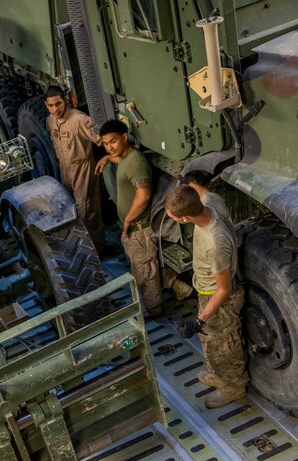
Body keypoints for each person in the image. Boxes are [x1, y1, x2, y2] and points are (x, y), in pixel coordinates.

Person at [163, 181, 248, 408]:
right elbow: (206, 191)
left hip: (219, 299)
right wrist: (188, 182)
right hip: (206, 291)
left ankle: (233, 387)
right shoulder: (212, 202)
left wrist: (199, 321)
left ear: (184, 219)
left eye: (172, 216)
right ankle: (218, 376)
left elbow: (224, 289)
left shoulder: (216, 243)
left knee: (223, 346)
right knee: (210, 341)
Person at [95, 119, 161, 317]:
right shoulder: (124, 157)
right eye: (106, 144)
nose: (109, 147)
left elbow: (144, 195)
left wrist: (128, 219)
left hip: (139, 229)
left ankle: (154, 311)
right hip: (133, 229)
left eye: (113, 142)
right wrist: (107, 158)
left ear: (124, 138)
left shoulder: (136, 162)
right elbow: (120, 161)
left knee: (146, 274)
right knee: (141, 271)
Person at [43, 86, 105, 250]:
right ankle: (80, 246)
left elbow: (103, 139)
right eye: (51, 105)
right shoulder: (51, 120)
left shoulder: (79, 120)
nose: (55, 109)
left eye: (58, 104)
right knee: (69, 209)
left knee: (87, 211)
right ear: (46, 105)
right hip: (65, 169)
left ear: (65, 101)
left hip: (82, 167)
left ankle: (97, 249)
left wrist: (107, 157)